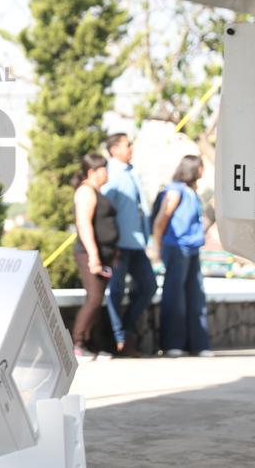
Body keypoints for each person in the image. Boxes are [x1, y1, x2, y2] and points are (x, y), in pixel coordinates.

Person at [102, 133, 157, 357]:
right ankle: (118, 338)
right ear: (114, 149)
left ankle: (127, 330)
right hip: (119, 245)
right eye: (127, 145)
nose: (131, 148)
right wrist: (110, 243)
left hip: (136, 243)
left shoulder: (131, 172)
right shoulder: (111, 174)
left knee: (149, 286)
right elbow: (106, 210)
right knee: (115, 291)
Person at [154, 154, 212, 357]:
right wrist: (157, 247)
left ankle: (198, 343)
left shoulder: (191, 192)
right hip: (176, 247)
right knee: (175, 295)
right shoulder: (175, 191)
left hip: (193, 247)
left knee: (195, 295)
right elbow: (161, 220)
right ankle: (172, 343)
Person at [72, 153, 119, 359]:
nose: (106, 173)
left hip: (105, 253)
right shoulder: (85, 192)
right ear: (92, 172)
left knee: (97, 300)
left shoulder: (98, 192)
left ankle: (92, 343)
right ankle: (77, 342)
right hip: (90, 254)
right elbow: (84, 224)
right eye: (103, 169)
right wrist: (94, 255)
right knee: (94, 298)